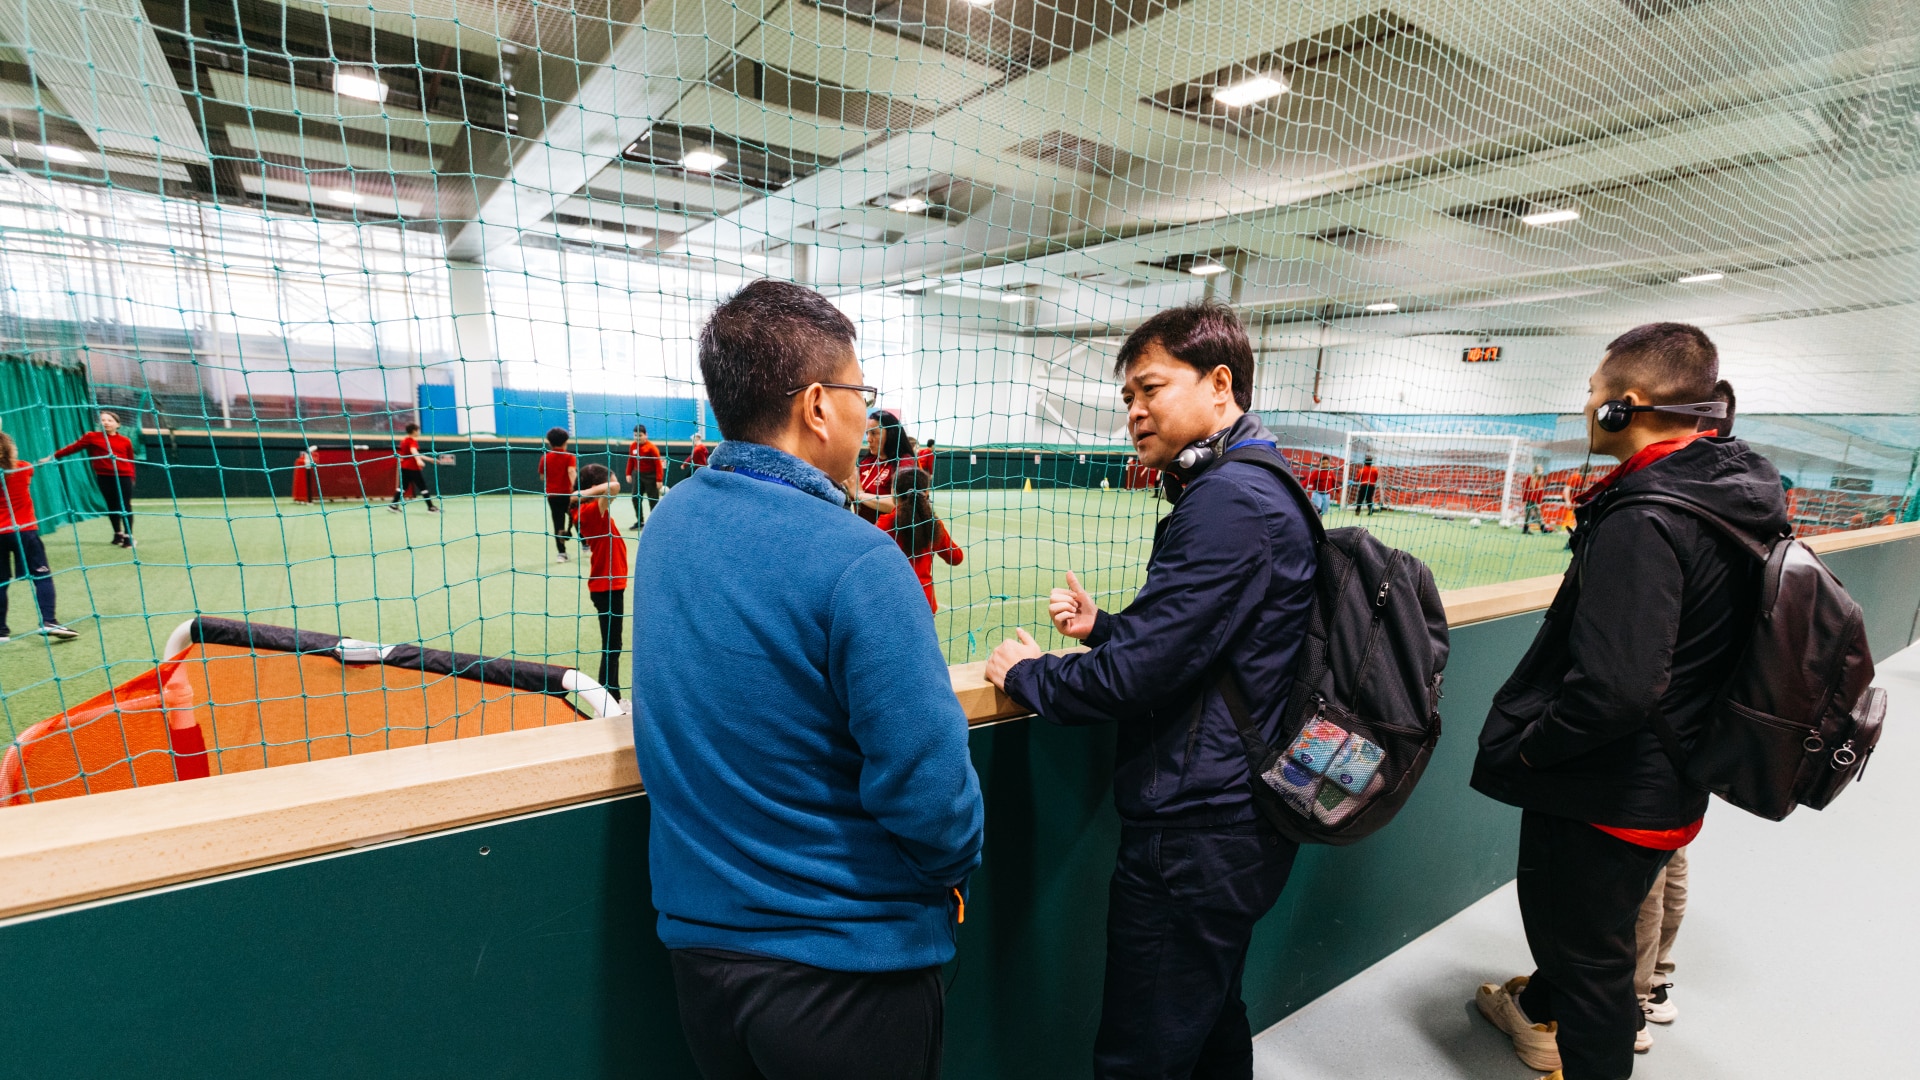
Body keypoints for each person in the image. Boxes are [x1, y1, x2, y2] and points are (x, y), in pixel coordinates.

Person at [630, 278, 984, 1080]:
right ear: (819, 405)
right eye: (861, 392)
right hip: (847, 972)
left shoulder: (670, 525)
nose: (866, 414)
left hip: (700, 959)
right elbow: (934, 800)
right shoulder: (859, 560)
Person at [984, 300, 1316, 1080]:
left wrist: (1027, 674)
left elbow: (1136, 678)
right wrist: (1104, 627)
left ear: (1220, 383)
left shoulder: (1231, 500)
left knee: (1144, 1052)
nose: (1134, 411)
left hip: (1198, 832)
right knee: (1209, 1022)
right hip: (1238, 820)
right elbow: (1207, 643)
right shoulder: (1257, 483)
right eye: (1128, 397)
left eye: (1151, 388)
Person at [1470, 325, 1786, 1080]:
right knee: (1597, 938)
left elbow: (1616, 686)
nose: (1585, 403)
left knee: (1591, 971)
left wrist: (1532, 747)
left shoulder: (1645, 516)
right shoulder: (1728, 487)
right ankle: (1539, 1003)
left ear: (1625, 406)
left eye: (1590, 390)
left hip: (1608, 790)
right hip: (1671, 776)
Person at [1630, 379, 1739, 1028]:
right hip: (1698, 728)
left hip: (1658, 735)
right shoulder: (1740, 495)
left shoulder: (1668, 506)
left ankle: (1632, 1002)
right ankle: (1656, 985)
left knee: (1643, 865)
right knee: (1668, 858)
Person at [0, 433, 79, 643]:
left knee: (0, 582)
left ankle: (1, 631)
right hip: (24, 532)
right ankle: (49, 622)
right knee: (41, 577)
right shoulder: (24, 468)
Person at [572, 463, 628, 701]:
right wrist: (581, 493)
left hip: (608, 585)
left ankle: (610, 697)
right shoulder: (592, 511)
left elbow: (612, 486)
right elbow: (614, 487)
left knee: (613, 645)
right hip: (607, 587)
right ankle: (608, 700)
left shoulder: (588, 510)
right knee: (612, 646)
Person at [876, 466, 963, 613]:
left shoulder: (886, 523)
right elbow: (956, 557)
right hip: (925, 602)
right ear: (927, 493)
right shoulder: (933, 523)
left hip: (895, 601)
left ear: (893, 492)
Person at [51, 410, 137, 546]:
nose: (106, 423)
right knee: (111, 506)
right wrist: (52, 456)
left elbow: (130, 461)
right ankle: (117, 534)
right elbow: (73, 448)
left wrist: (132, 477)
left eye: (110, 420)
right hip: (104, 477)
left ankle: (128, 536)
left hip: (123, 477)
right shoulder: (92, 437)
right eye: (103, 420)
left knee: (125, 505)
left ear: (118, 424)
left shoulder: (125, 441)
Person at [849, 408, 908, 521]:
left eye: (874, 433)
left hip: (889, 534)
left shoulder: (904, 462)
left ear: (891, 434)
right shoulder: (867, 462)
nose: (869, 439)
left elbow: (899, 504)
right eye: (867, 433)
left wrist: (859, 495)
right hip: (864, 530)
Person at [537, 427, 577, 562]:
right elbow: (571, 472)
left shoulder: (545, 458)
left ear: (550, 443)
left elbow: (542, 476)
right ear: (566, 441)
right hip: (569, 495)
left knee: (558, 524)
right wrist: (577, 489)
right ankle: (586, 544)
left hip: (553, 496)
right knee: (577, 518)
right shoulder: (569, 457)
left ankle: (562, 553)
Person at [387, 422, 439, 513]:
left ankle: (393, 505)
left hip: (404, 467)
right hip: (412, 467)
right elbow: (414, 451)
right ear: (414, 431)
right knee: (422, 486)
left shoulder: (404, 440)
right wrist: (418, 460)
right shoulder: (412, 441)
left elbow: (414, 453)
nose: (418, 432)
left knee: (402, 487)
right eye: (417, 430)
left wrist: (429, 459)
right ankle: (431, 507)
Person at [627, 424, 664, 528]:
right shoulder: (633, 446)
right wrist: (628, 473)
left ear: (645, 435)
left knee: (653, 499)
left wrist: (659, 479)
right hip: (637, 475)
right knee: (635, 498)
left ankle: (655, 523)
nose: (637, 438)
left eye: (640, 435)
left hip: (650, 476)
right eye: (635, 435)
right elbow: (630, 460)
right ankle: (640, 521)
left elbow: (658, 464)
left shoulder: (652, 448)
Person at [1521, 465, 1551, 534]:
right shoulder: (1530, 478)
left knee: (1529, 514)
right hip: (1529, 499)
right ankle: (1542, 528)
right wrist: (1524, 500)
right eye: (1539, 469)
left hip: (1534, 500)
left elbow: (1540, 492)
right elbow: (1525, 489)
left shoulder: (1541, 480)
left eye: (1541, 469)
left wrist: (1539, 503)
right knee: (1537, 512)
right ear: (1535, 470)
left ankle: (1526, 529)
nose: (1541, 471)